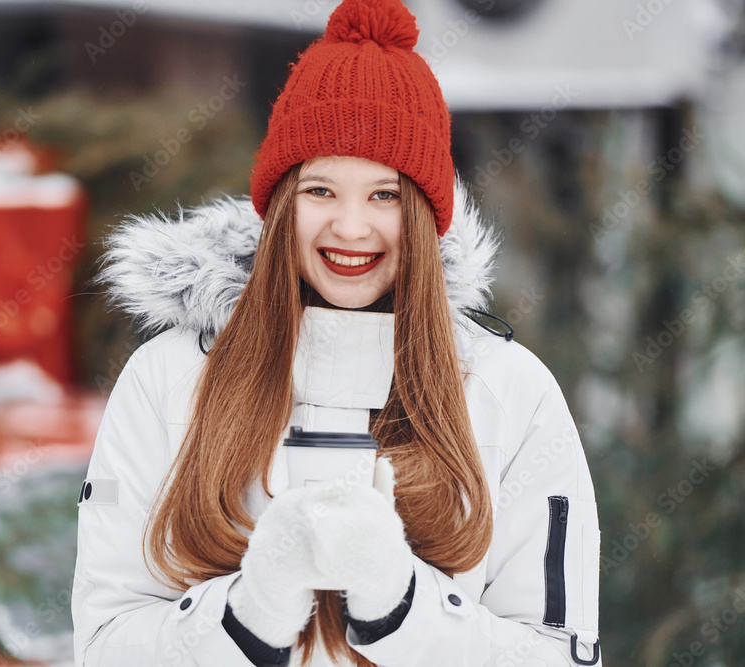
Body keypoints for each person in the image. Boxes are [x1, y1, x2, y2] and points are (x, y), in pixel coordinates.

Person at [71, 0, 602, 664]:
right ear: (280, 202)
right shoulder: (168, 378)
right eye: (320, 190)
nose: (351, 228)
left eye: (384, 195)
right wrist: (250, 609)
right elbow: (105, 645)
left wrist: (402, 600)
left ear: (424, 213)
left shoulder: (511, 392)